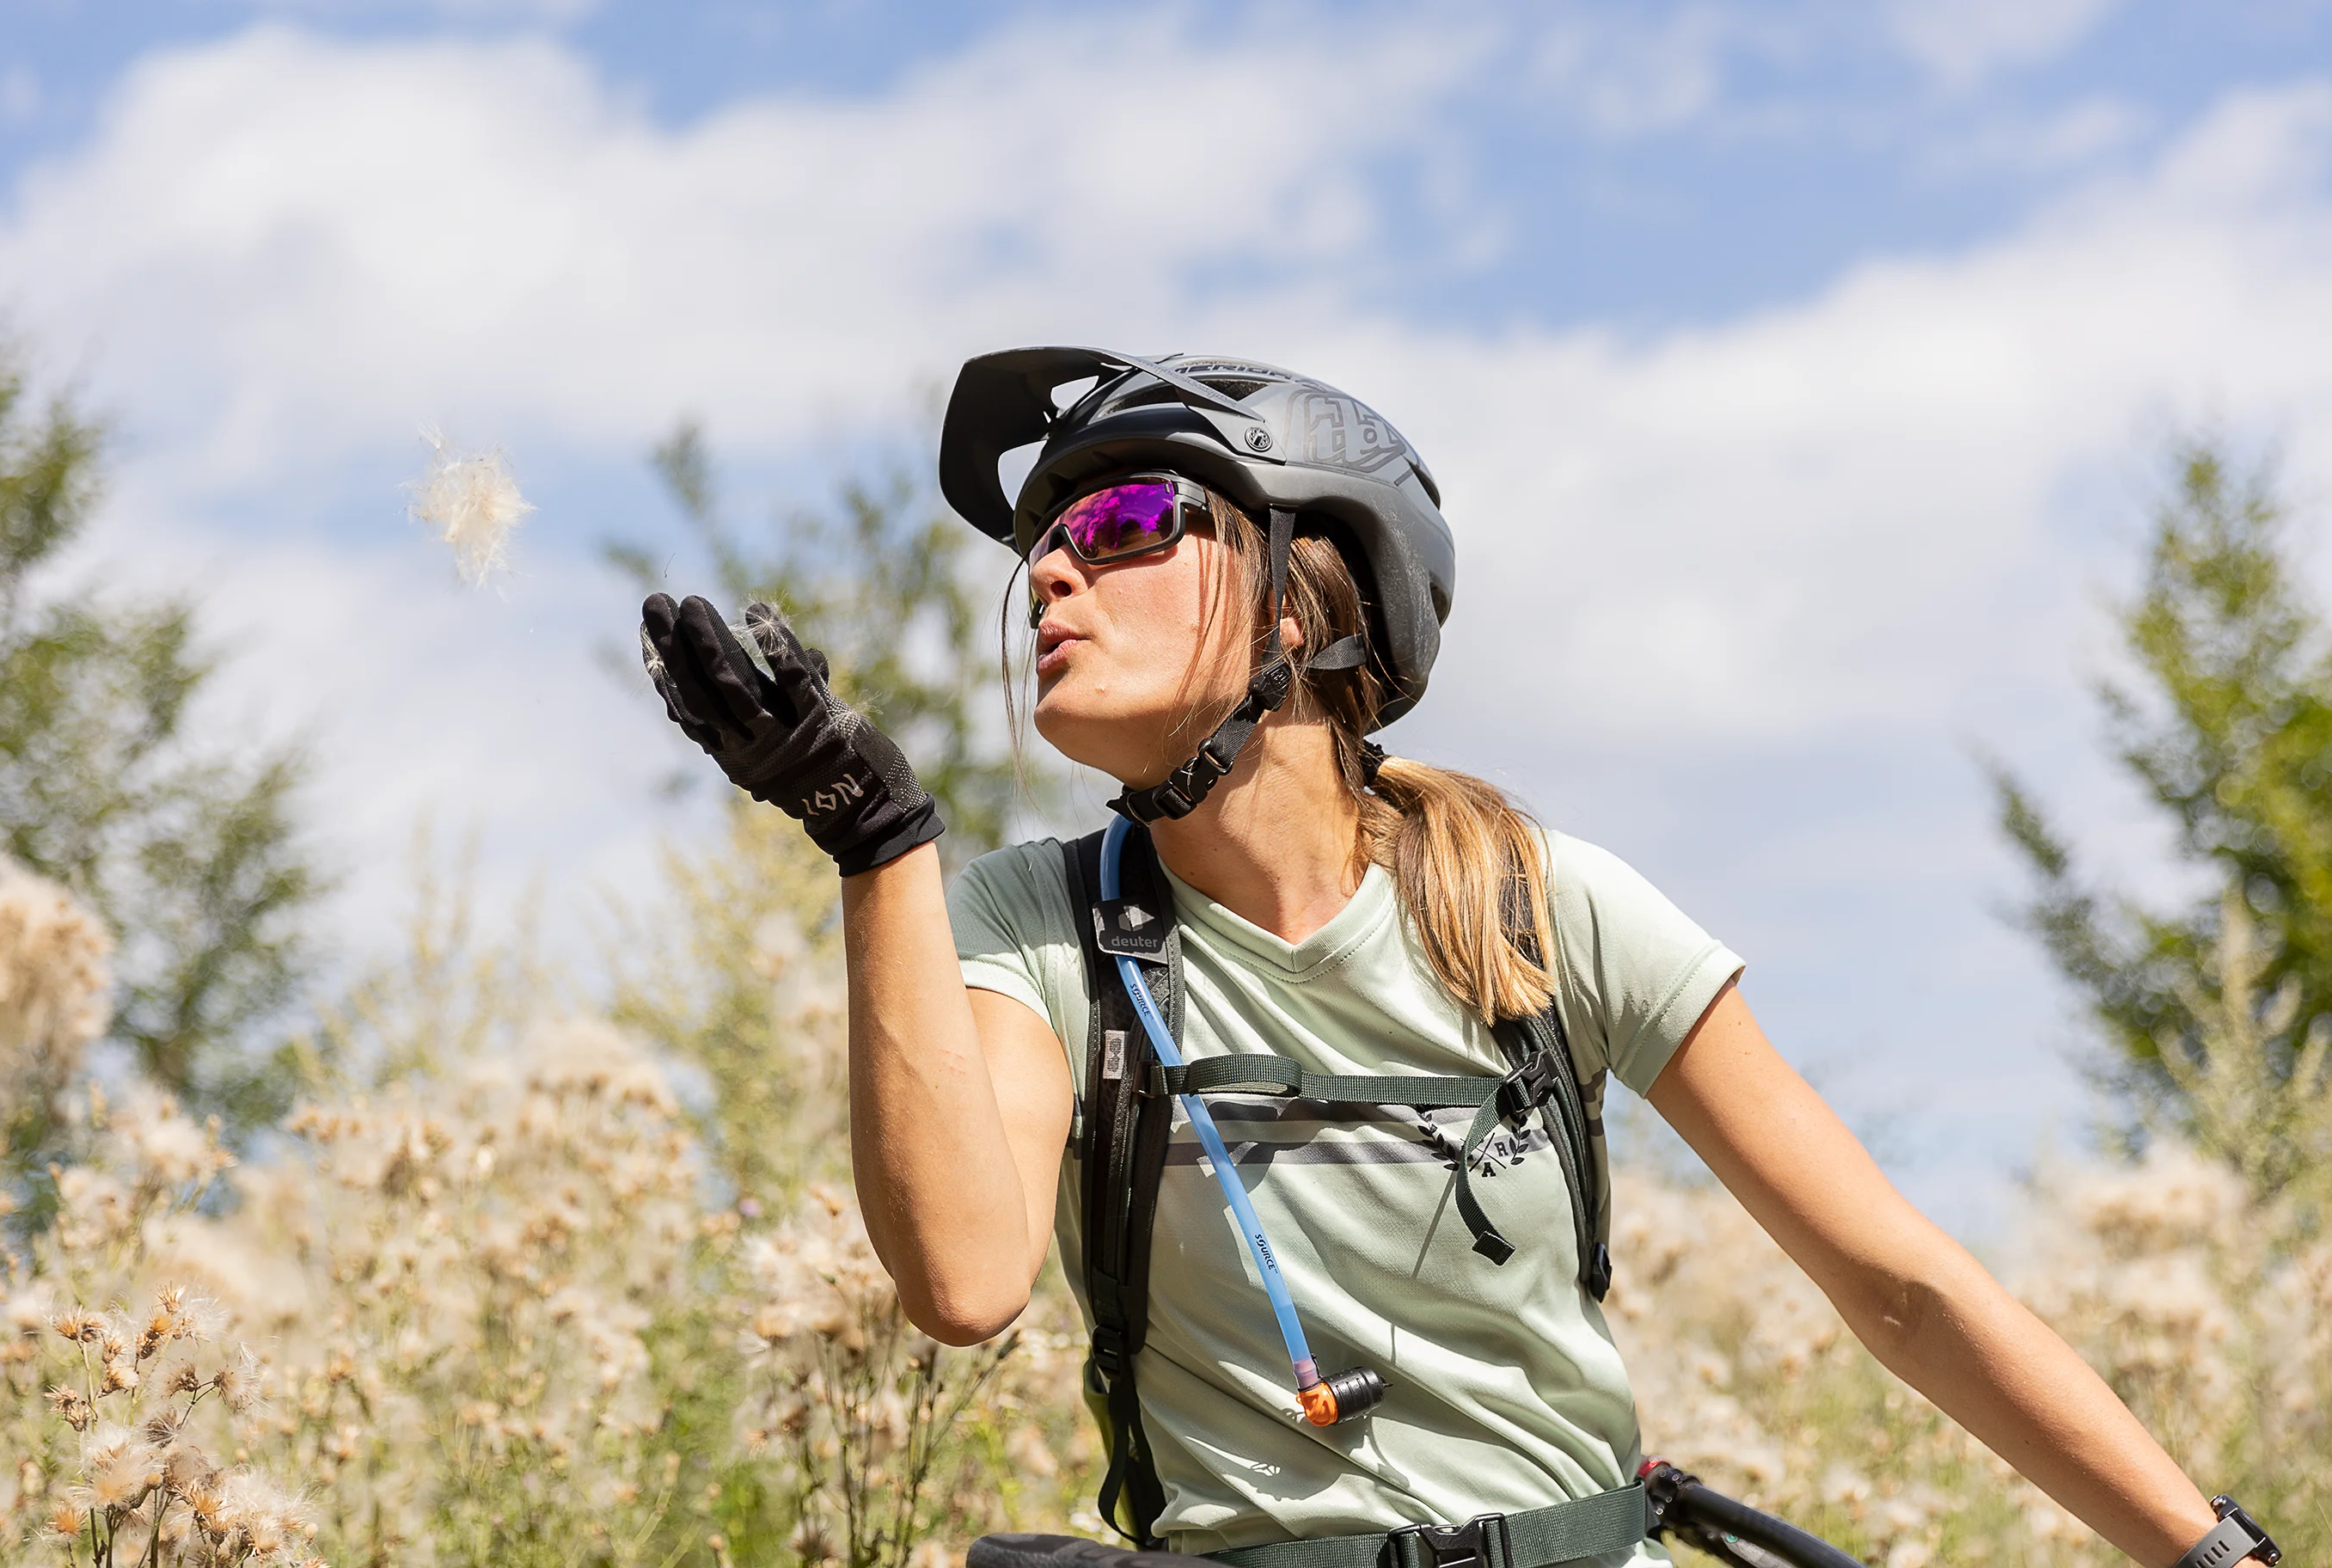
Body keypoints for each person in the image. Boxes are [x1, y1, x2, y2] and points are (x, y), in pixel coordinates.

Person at [638, 349, 2278, 1568]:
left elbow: (1901, 1289)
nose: (1056, 566)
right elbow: (965, 1285)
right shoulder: (1030, 926)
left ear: (1300, 603)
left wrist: (2212, 1557)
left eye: (1130, 519)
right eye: (1042, 548)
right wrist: (873, 842)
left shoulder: (1544, 908)